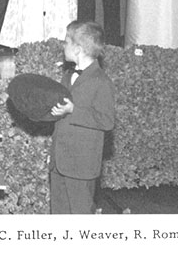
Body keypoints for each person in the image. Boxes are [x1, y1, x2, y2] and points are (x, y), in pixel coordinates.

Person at [50, 20, 115, 214]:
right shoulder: (67, 76)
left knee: (80, 216)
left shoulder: (101, 81)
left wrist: (73, 110)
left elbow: (107, 121)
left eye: (66, 42)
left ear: (78, 49)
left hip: (81, 166)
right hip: (58, 163)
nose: (63, 46)